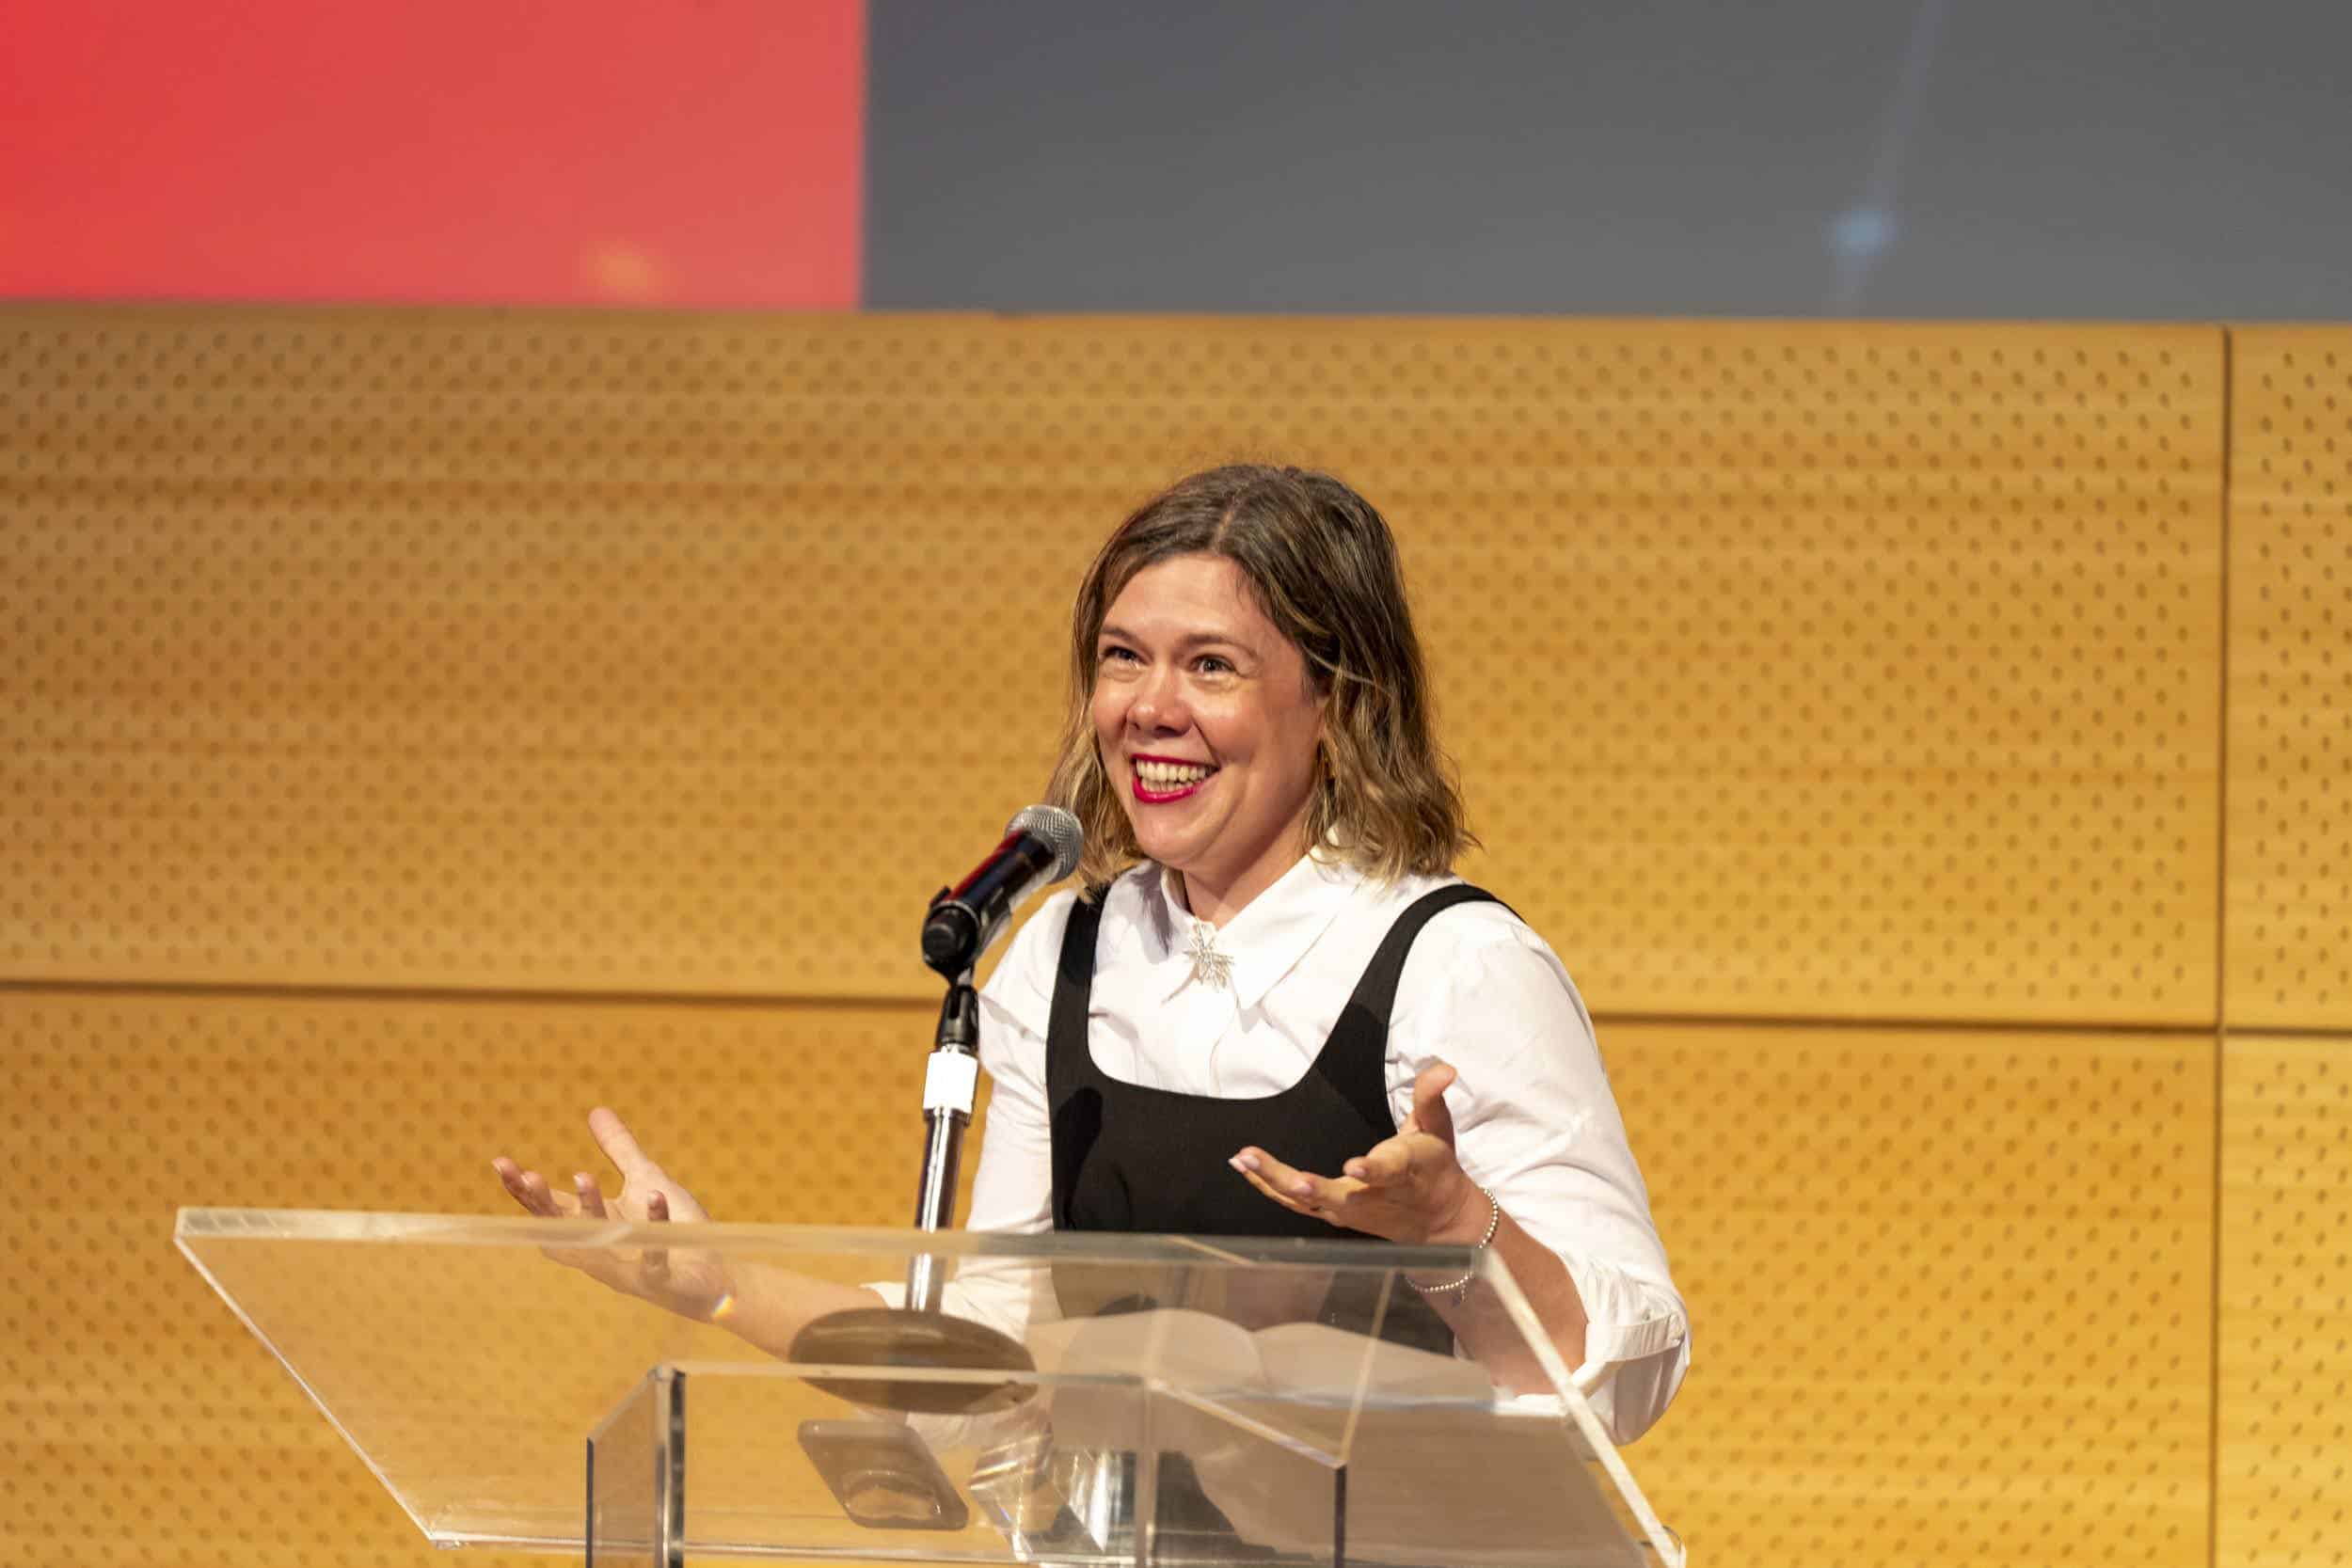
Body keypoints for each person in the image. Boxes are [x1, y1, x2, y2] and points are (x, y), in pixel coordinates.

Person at [495, 464, 1688, 1443]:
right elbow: (990, 1352)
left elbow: (1625, 1380)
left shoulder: (1457, 962)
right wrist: (716, 1282)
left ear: (1335, 702)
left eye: (1210, 664)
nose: (1147, 707)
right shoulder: (1060, 953)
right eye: (1123, 657)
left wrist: (1457, 1228)